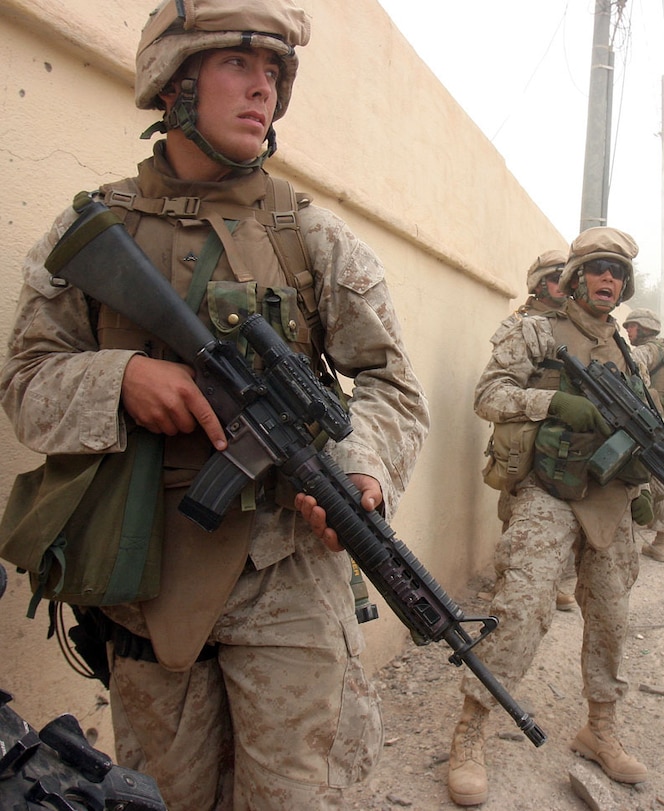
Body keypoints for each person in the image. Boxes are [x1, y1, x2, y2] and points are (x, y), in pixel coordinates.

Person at [0, 1, 429, 808]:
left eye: (274, 72)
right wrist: (121, 378)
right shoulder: (94, 228)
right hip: (146, 576)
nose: (262, 89)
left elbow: (393, 387)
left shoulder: (314, 237)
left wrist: (362, 471)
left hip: (290, 576)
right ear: (174, 84)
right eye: (238, 65)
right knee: (161, 795)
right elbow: (26, 384)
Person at [446, 227, 654, 806]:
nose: (607, 280)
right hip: (548, 490)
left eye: (616, 271)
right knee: (523, 606)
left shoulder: (631, 352)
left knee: (611, 615)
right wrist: (551, 402)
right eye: (596, 269)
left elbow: (648, 429)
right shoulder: (535, 331)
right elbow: (489, 395)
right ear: (575, 278)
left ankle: (600, 728)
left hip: (609, 497)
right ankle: (471, 729)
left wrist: (648, 483)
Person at [487, 250, 577, 612]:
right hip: (523, 438)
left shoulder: (577, 325)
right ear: (540, 284)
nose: (564, 285)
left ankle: (561, 581)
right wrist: (548, 402)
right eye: (557, 278)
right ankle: (506, 585)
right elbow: (494, 393)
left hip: (565, 443)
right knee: (514, 513)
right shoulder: (520, 326)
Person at [623, 307, 664, 562]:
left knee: (642, 477)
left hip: (653, 423)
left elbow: (634, 369)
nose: (627, 331)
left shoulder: (647, 349)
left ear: (644, 328)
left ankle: (657, 541)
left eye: (631, 326)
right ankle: (661, 538)